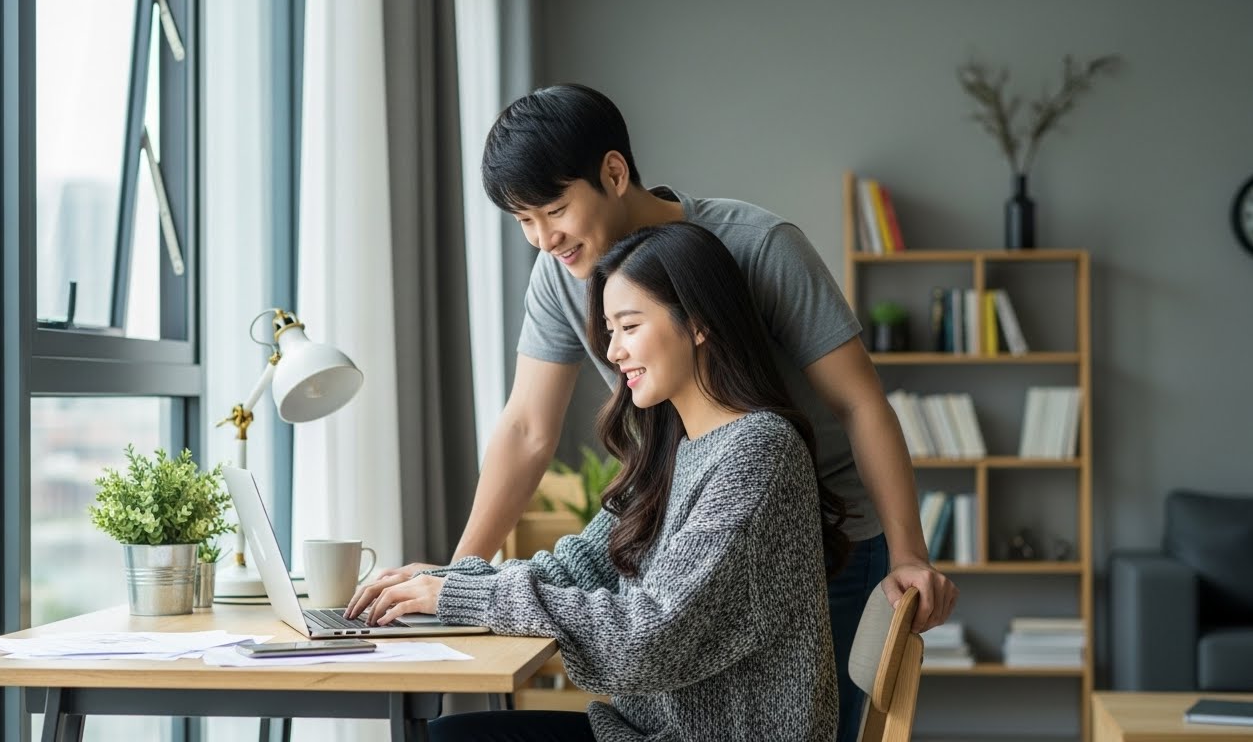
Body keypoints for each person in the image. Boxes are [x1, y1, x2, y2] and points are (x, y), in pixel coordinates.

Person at [350, 83, 957, 741]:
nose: (542, 239)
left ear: (612, 173)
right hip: (692, 510)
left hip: (822, 523)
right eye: (522, 221)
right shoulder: (570, 284)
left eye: (553, 210)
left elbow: (858, 401)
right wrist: (455, 583)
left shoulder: (758, 247)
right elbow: (526, 428)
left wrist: (908, 552)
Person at [360, 222, 846, 741]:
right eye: (610, 331)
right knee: (448, 733)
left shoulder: (757, 452)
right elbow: (581, 565)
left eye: (629, 327)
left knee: (449, 738)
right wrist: (451, 581)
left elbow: (647, 637)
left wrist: (463, 597)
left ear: (699, 322)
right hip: (641, 730)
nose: (613, 353)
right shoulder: (672, 450)